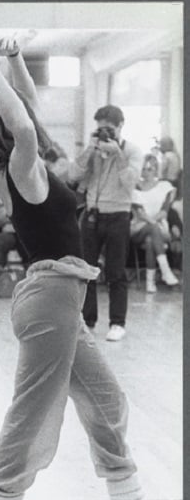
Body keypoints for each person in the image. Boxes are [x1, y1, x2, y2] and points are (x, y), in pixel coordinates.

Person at [0, 37, 161, 500]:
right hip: (48, 300)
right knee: (33, 413)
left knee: (107, 400)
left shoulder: (41, 168)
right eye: (17, 105)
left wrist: (12, 62)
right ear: (6, 122)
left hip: (63, 301)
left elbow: (28, 110)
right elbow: (25, 124)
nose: (29, 112)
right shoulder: (21, 169)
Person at [68, 104, 144, 342]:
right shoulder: (94, 149)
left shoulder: (132, 151)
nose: (105, 134)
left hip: (118, 215)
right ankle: (88, 319)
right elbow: (73, 176)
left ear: (121, 127)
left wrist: (117, 154)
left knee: (116, 272)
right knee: (85, 270)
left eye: (109, 129)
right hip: (92, 215)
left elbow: (131, 182)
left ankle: (117, 323)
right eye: (100, 129)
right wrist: (90, 150)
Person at [131, 154, 180, 292]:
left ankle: (150, 282)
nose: (146, 172)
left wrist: (153, 223)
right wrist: (152, 222)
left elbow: (164, 212)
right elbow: (140, 213)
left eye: (150, 168)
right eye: (144, 169)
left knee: (150, 240)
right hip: (138, 228)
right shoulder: (135, 187)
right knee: (151, 232)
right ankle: (165, 272)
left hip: (160, 228)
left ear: (156, 169)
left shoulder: (164, 187)